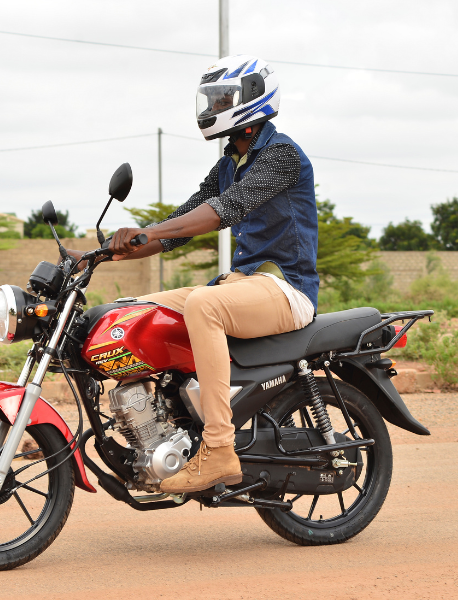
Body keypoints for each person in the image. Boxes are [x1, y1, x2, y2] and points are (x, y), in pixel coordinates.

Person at [76, 54, 320, 494]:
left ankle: (219, 449)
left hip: (287, 290)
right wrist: (98, 255)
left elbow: (222, 211)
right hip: (244, 285)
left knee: (202, 305)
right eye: (212, 98)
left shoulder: (282, 156)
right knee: (134, 311)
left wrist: (151, 231)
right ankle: (164, 424)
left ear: (253, 98)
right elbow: (180, 226)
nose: (213, 106)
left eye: (223, 98)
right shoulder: (228, 164)